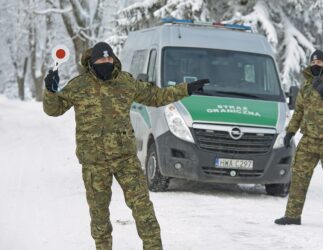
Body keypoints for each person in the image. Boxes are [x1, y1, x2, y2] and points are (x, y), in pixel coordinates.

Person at [43, 42, 209, 250]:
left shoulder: (125, 82)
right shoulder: (79, 86)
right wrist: (50, 91)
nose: (106, 62)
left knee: (143, 209)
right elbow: (54, 110)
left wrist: (186, 89)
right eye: (101, 59)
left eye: (109, 58)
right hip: (95, 162)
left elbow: (155, 96)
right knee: (99, 215)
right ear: (92, 62)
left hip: (125, 159)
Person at [274, 50, 323, 228]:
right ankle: (292, 216)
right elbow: (299, 111)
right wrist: (290, 131)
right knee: (299, 177)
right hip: (308, 140)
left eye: (320, 63)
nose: (316, 65)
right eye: (313, 62)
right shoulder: (307, 84)